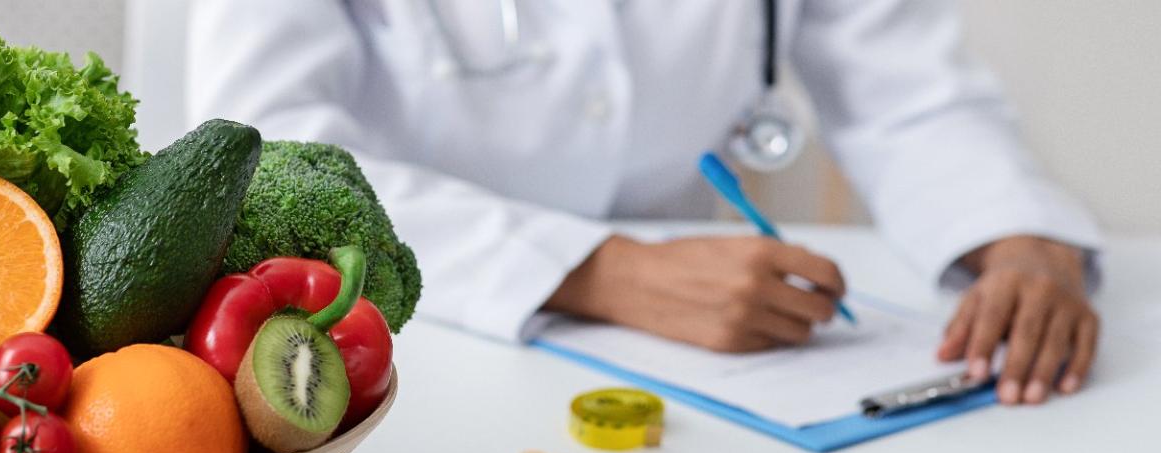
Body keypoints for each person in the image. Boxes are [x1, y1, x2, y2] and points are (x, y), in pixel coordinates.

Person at [173, 0, 1101, 406]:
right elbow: (264, 142)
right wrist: (601, 271)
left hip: (699, 361)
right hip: (384, 347)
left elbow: (910, 94)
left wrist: (1019, 240)